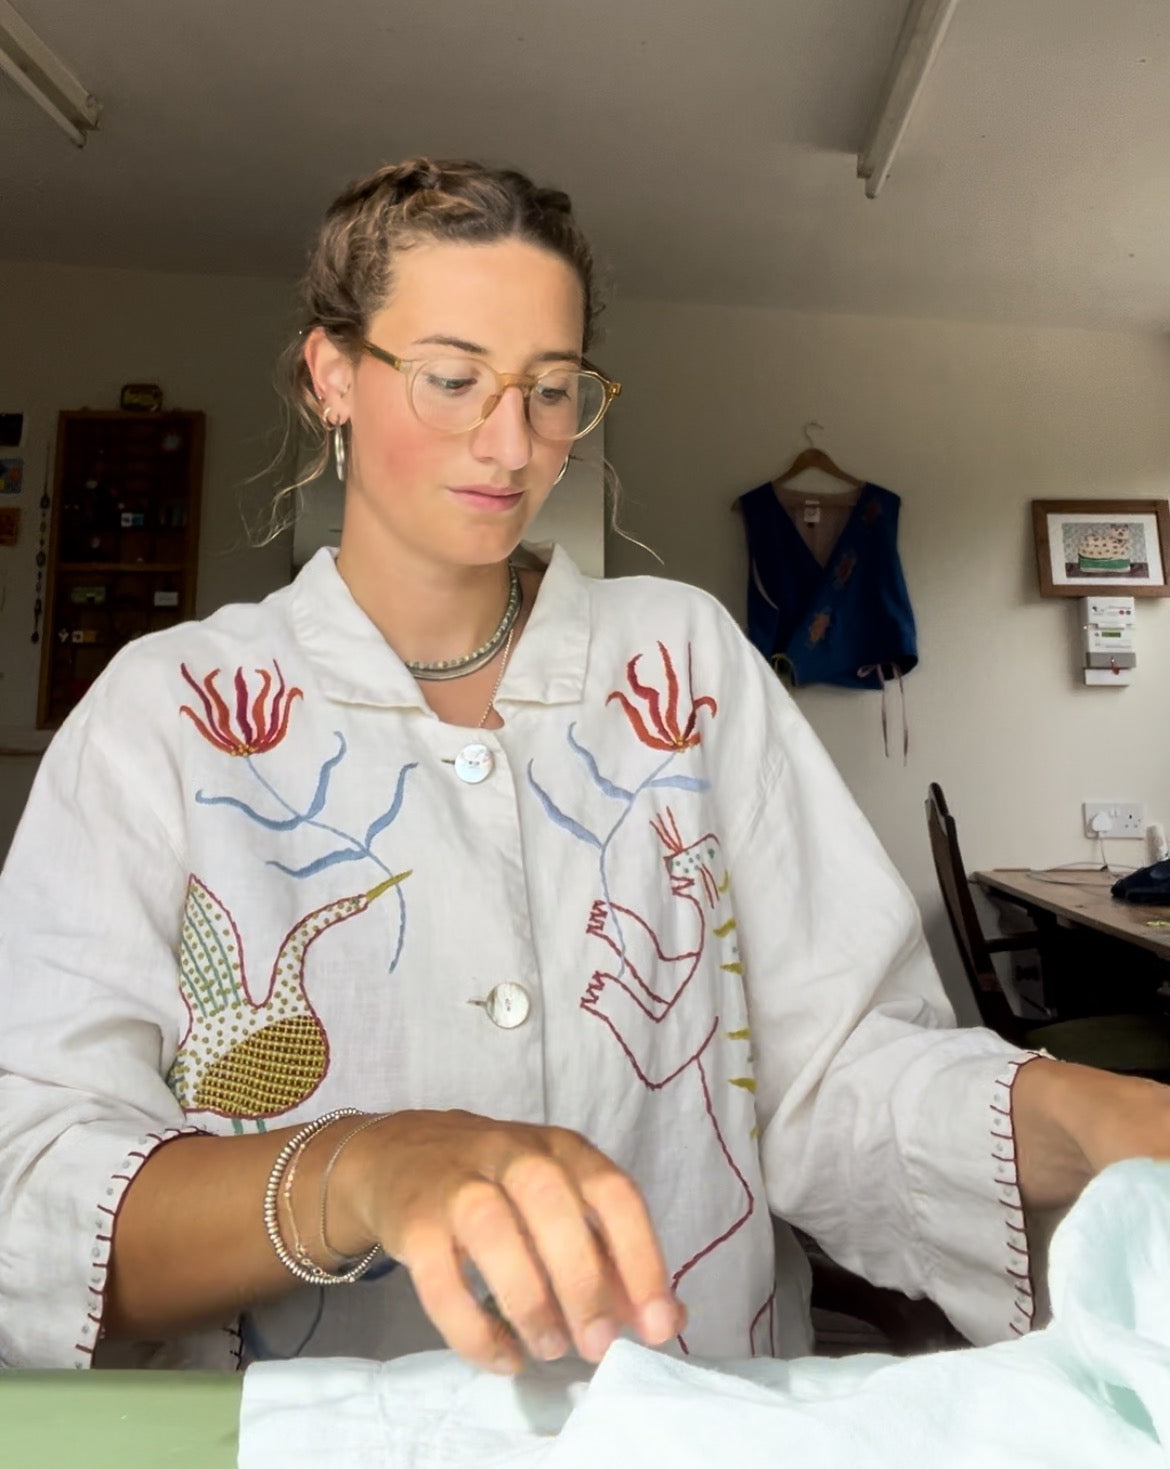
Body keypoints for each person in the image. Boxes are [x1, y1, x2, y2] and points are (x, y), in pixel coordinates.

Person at [0, 158, 1167, 1375]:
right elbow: (33, 1189)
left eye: (551, 390)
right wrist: (362, 1167)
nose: (511, 443)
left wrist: (1085, 1113)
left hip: (697, 1418)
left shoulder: (685, 664)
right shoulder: (169, 711)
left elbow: (836, 1077)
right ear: (331, 374)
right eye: (453, 379)